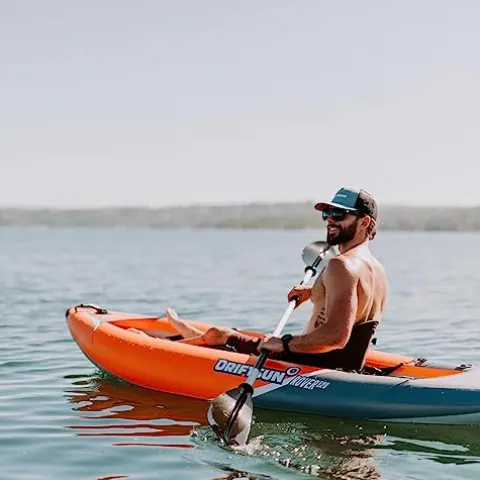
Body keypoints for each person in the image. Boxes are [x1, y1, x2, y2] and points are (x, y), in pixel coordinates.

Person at [163, 186, 388, 371]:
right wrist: (314, 292)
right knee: (219, 335)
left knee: (219, 335)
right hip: (343, 366)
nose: (330, 220)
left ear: (364, 222)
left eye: (339, 214)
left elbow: (336, 336)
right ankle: (186, 334)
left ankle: (161, 350)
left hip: (311, 365)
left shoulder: (341, 265)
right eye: (327, 213)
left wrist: (284, 344)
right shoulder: (377, 271)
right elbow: (357, 308)